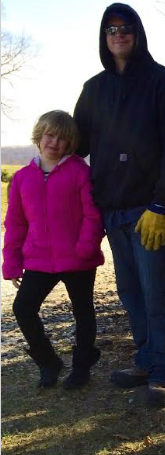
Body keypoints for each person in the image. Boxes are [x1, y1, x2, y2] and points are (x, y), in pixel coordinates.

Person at [73, 3, 165, 407]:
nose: (118, 34)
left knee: (157, 290)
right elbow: (78, 144)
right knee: (130, 291)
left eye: (126, 28)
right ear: (103, 37)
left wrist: (163, 204)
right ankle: (146, 357)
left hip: (151, 208)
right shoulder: (94, 89)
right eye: (111, 29)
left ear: (138, 33)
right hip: (113, 207)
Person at [3, 111, 105, 389]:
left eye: (62, 138)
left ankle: (82, 365)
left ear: (71, 143)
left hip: (79, 259)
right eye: (50, 135)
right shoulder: (23, 178)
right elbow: (14, 223)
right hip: (38, 260)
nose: (54, 142)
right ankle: (48, 362)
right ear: (39, 136)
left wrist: (85, 248)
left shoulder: (80, 172)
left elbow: (93, 215)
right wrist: (11, 263)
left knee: (83, 311)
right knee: (23, 307)